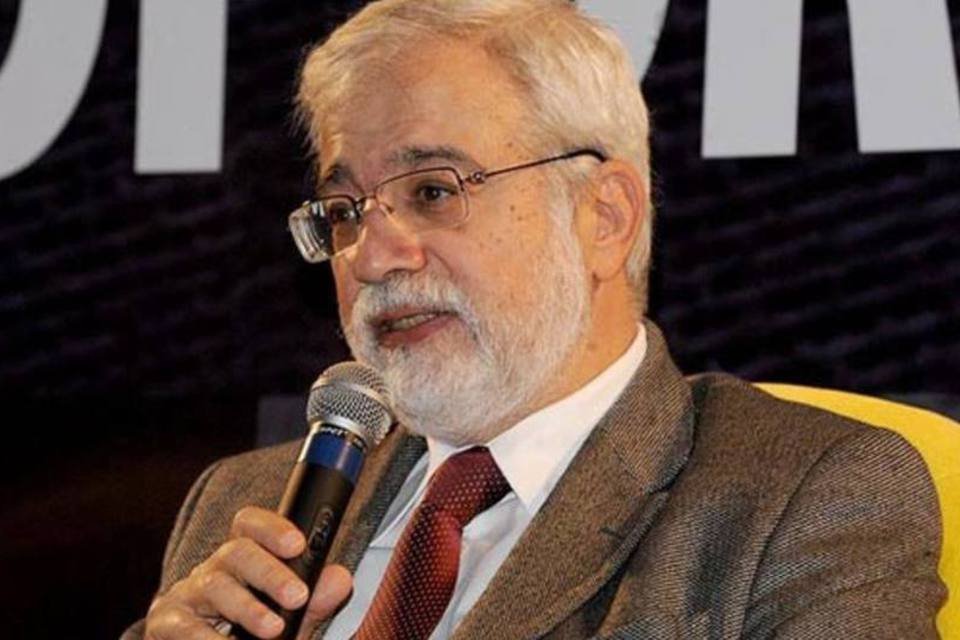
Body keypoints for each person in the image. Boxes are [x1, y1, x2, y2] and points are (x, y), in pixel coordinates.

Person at [125, 1, 946, 638]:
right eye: (344, 211)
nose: (370, 257)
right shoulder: (248, 509)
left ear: (604, 218)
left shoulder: (802, 497)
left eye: (433, 191)